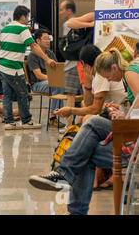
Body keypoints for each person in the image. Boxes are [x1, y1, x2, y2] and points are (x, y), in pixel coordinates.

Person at [28, 48, 139, 215]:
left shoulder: (130, 72)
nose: (108, 79)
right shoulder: (127, 74)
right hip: (130, 131)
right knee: (84, 151)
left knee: (92, 121)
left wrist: (126, 115)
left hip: (133, 135)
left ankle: (63, 175)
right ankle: (73, 205)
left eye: (107, 76)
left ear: (114, 68)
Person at [0, 5, 57, 130]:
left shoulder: (4, 29)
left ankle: (9, 122)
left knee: (7, 95)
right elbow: (34, 46)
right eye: (27, 17)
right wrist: (47, 59)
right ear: (23, 16)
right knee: (23, 94)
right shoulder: (22, 28)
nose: (28, 19)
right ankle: (26, 121)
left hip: (2, 66)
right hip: (13, 67)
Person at [53, 44, 126, 122]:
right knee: (83, 107)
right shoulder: (97, 74)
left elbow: (95, 110)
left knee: (87, 119)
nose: (108, 79)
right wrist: (87, 85)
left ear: (83, 63)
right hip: (114, 110)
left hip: (117, 112)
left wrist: (70, 110)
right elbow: (89, 104)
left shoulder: (100, 75)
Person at [59, 1, 95, 127]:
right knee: (82, 95)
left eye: (62, 9)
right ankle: (75, 125)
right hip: (80, 62)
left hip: (80, 63)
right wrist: (92, 24)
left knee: (78, 96)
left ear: (69, 10)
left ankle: (74, 125)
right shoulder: (87, 19)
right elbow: (71, 23)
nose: (60, 12)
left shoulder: (70, 24)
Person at [27, 29, 64, 128]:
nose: (48, 41)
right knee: (57, 84)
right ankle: (53, 117)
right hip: (37, 84)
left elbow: (57, 70)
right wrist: (53, 79)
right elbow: (39, 75)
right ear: (38, 41)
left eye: (49, 39)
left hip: (50, 82)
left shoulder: (50, 54)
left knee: (62, 84)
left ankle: (58, 113)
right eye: (45, 39)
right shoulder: (32, 56)